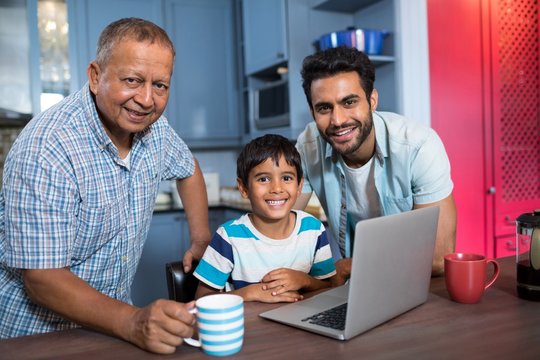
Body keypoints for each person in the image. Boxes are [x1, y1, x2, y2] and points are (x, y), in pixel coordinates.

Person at [0, 18, 211, 354]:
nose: (146, 99)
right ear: (96, 77)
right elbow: (42, 278)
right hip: (36, 338)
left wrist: (201, 239)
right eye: (132, 80)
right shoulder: (48, 147)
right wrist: (133, 322)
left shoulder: (155, 130)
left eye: (160, 85)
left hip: (109, 330)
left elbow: (189, 168)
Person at [294, 46, 457, 284]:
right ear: (312, 111)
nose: (338, 120)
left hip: (417, 283)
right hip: (361, 284)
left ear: (372, 101)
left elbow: (439, 258)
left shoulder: (419, 146)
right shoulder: (308, 146)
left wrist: (348, 266)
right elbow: (282, 225)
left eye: (349, 102)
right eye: (324, 108)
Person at [193, 134, 336, 302]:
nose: (276, 188)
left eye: (286, 178)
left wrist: (303, 280)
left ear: (299, 186)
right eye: (264, 179)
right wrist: (248, 293)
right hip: (251, 327)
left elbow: (328, 287)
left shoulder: (313, 229)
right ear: (244, 188)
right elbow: (201, 300)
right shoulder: (229, 237)